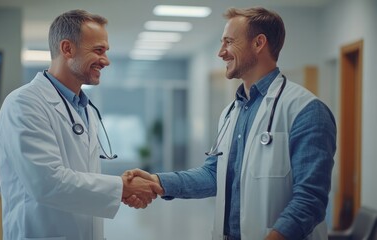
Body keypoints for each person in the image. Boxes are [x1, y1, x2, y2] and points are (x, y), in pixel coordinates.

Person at [124, 6, 336, 240]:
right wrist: (157, 182)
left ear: (258, 43)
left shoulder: (305, 110)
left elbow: (310, 200)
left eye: (228, 42)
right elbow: (214, 174)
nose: (221, 52)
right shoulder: (231, 112)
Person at [0, 9, 162, 240]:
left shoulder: (83, 107)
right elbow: (47, 182)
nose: (106, 60)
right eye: (98, 50)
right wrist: (123, 188)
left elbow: (82, 179)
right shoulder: (24, 103)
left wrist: (120, 190)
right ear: (67, 49)